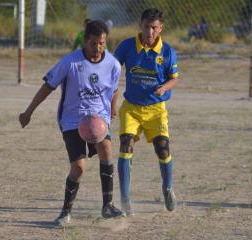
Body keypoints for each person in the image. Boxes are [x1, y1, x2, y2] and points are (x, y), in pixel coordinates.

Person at [19, 20, 123, 227]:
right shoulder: (70, 62)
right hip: (72, 120)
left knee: (107, 150)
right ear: (85, 41)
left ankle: (107, 205)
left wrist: (113, 107)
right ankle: (65, 212)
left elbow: (114, 88)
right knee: (79, 168)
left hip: (99, 119)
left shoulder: (113, 64)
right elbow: (48, 86)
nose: (98, 48)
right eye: (93, 43)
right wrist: (29, 111)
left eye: (102, 43)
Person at [114, 8, 179, 216]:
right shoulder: (126, 46)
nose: (150, 32)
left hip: (156, 109)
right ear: (140, 25)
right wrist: (110, 102)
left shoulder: (167, 52)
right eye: (146, 26)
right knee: (126, 145)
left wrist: (164, 87)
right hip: (131, 107)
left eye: (154, 28)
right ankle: (125, 198)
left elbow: (174, 78)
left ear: (160, 28)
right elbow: (112, 71)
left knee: (162, 148)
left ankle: (167, 188)